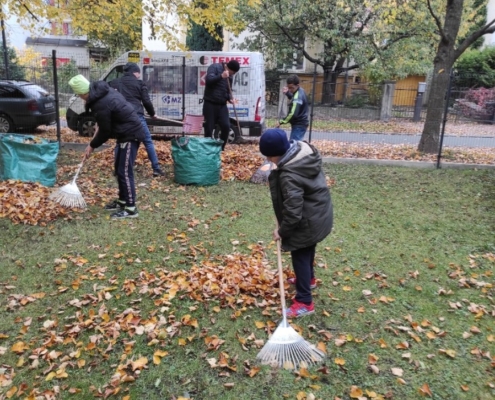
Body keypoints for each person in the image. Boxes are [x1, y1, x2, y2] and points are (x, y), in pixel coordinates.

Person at [259, 128, 333, 318]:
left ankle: (304, 302)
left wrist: (282, 232)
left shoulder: (289, 174)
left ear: (275, 154)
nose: (268, 160)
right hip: (318, 214)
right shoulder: (301, 154)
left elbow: (293, 212)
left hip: (307, 220)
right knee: (308, 250)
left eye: (269, 156)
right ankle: (308, 280)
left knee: (300, 254)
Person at [68, 74, 145, 219]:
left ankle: (130, 208)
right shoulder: (101, 93)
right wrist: (98, 126)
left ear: (84, 93)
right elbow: (104, 121)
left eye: (79, 95)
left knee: (125, 172)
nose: (80, 98)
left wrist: (92, 145)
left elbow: (105, 132)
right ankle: (122, 201)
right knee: (119, 169)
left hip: (131, 134)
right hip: (123, 133)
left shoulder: (100, 103)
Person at [109, 62, 165, 177]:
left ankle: (117, 168)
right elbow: (146, 101)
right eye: (139, 73)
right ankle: (156, 168)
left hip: (120, 116)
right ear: (135, 72)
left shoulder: (115, 83)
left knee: (120, 142)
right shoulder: (139, 84)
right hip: (136, 116)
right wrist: (152, 114)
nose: (139, 76)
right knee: (148, 141)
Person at [203, 59, 240, 150]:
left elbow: (227, 92)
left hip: (222, 105)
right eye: (233, 72)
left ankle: (221, 149)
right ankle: (208, 150)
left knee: (226, 126)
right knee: (209, 128)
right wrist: (221, 76)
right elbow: (208, 81)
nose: (233, 74)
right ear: (229, 68)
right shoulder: (214, 67)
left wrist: (230, 99)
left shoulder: (230, 77)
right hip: (210, 103)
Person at [278, 75, 309, 141]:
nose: (290, 90)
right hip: (300, 123)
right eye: (288, 87)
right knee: (295, 145)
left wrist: (281, 121)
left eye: (292, 88)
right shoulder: (300, 91)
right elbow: (293, 98)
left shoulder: (298, 96)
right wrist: (287, 93)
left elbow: (293, 113)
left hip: (299, 124)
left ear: (297, 85)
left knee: (294, 146)